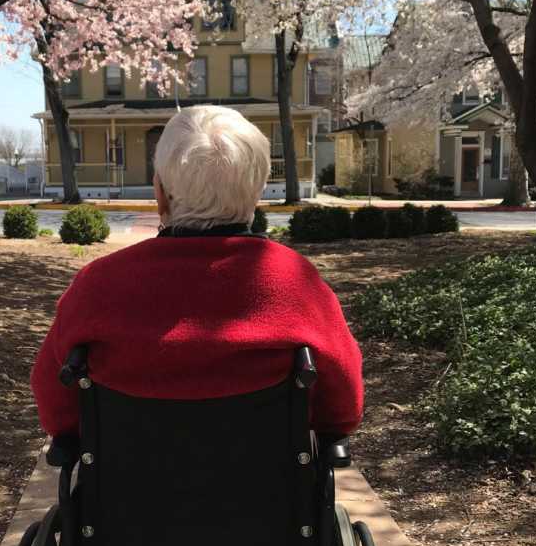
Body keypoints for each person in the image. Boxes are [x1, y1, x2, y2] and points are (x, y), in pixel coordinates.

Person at [31, 105, 363, 436]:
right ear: (257, 193)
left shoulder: (96, 286)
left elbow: (57, 415)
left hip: (125, 486)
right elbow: (343, 411)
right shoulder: (296, 282)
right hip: (269, 486)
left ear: (159, 194)